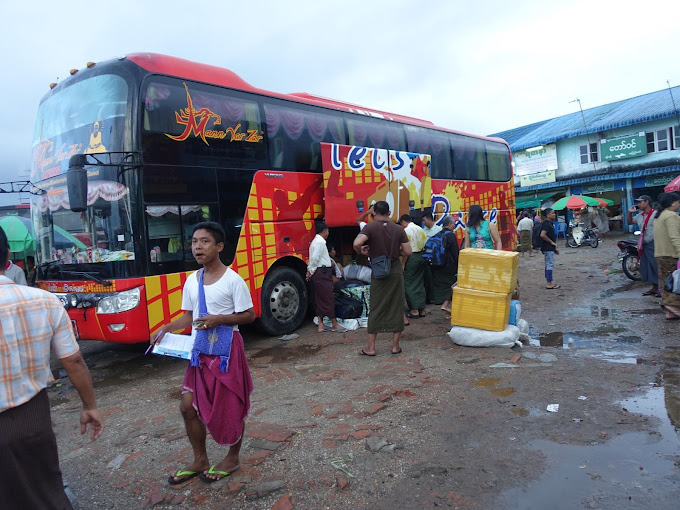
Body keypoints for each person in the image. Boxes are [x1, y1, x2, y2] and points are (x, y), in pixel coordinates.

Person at [0, 226, 104, 509]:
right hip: (33, 416)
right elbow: (72, 360)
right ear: (7, 255)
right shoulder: (45, 301)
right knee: (46, 491)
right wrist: (90, 406)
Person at [152, 222, 255, 484]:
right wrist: (166, 329)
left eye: (205, 241)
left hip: (226, 353)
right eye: (194, 241)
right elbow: (189, 316)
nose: (197, 246)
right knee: (187, 406)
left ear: (219, 246)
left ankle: (232, 458)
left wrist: (220, 318)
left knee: (232, 405)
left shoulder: (233, 280)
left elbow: (249, 315)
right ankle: (200, 459)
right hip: (200, 353)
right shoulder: (192, 279)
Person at [353, 200, 411, 355]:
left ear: (374, 213)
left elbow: (357, 243)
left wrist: (363, 251)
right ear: (389, 212)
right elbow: (408, 251)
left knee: (376, 307)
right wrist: (395, 252)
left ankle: (371, 348)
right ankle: (395, 346)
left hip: (378, 272)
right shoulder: (398, 229)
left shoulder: (369, 227)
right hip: (395, 271)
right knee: (396, 306)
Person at [306, 222, 347, 333]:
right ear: (324, 231)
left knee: (319, 298)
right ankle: (334, 324)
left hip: (318, 272)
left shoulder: (315, 241)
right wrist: (311, 270)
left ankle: (321, 324)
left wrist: (310, 271)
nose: (328, 233)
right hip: (322, 272)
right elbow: (315, 259)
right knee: (328, 298)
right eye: (328, 231)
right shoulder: (320, 242)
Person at [652, 192, 680, 320]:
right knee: (675, 282)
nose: (679, 205)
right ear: (672, 203)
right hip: (671, 254)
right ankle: (672, 307)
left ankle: (670, 312)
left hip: (660, 253)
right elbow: (674, 237)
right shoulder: (671, 216)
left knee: (665, 282)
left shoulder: (659, 216)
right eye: (678, 202)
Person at [627, 195, 659, 297]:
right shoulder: (640, 216)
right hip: (644, 244)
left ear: (647, 202)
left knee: (656, 265)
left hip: (654, 243)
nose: (639, 204)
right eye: (638, 202)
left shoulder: (655, 214)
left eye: (640, 202)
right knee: (647, 266)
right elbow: (629, 222)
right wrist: (629, 213)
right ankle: (654, 287)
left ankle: (660, 288)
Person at [398, 214, 428, 319]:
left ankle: (414, 310)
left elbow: (407, 251)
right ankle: (422, 309)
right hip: (422, 256)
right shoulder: (420, 229)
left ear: (403, 221)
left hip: (412, 258)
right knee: (420, 282)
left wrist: (403, 263)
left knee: (409, 283)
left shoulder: (406, 231)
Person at [432, 215, 460, 312]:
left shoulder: (438, 234)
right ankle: (446, 304)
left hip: (439, 265)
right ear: (450, 224)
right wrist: (459, 265)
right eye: (453, 224)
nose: (454, 226)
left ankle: (447, 310)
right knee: (453, 285)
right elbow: (455, 252)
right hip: (449, 266)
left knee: (444, 285)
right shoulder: (451, 235)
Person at [540, 208, 561, 289]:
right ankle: (549, 283)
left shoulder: (549, 224)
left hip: (549, 248)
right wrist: (551, 242)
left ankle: (549, 281)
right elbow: (542, 235)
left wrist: (554, 248)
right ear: (548, 215)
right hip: (548, 248)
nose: (554, 214)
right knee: (549, 265)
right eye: (552, 213)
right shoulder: (546, 224)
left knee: (548, 264)